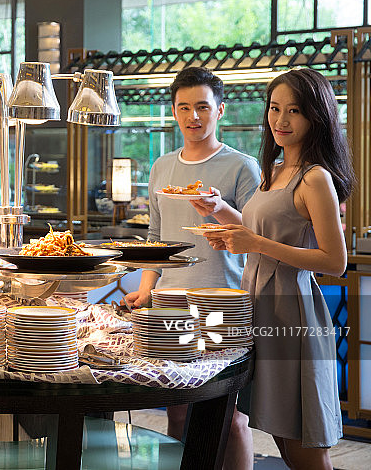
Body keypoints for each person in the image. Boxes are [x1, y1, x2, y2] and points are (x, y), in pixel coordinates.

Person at [203, 68, 352, 470]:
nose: (281, 121)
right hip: (257, 309)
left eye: (295, 111)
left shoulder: (315, 177)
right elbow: (259, 234)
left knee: (302, 447)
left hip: (292, 315)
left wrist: (256, 243)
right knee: (279, 439)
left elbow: (334, 263)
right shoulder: (274, 170)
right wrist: (222, 216)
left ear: (316, 117)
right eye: (274, 108)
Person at [122, 66, 260, 469]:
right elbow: (155, 238)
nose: (193, 116)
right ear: (174, 111)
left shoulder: (242, 166)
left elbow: (257, 233)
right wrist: (147, 287)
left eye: (202, 106)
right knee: (178, 410)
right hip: (169, 304)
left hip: (223, 302)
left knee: (229, 414)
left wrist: (222, 210)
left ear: (220, 110)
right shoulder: (162, 167)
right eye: (184, 107)